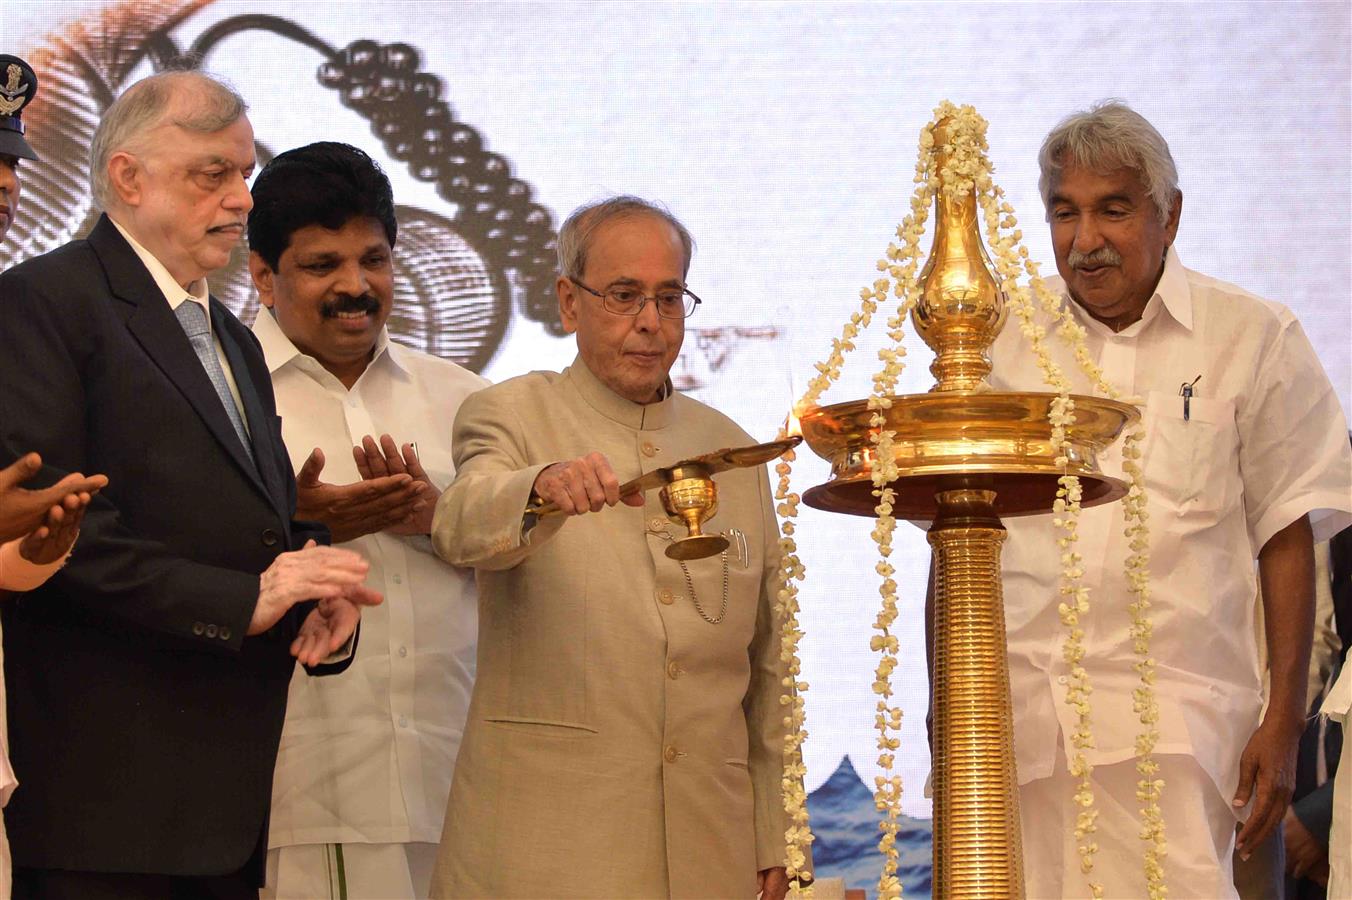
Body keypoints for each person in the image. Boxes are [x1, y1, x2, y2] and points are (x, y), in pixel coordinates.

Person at [0, 70, 383, 899]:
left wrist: (312, 583)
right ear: (128, 177)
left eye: (245, 172)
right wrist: (244, 599)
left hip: (224, 807)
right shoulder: (42, 303)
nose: (243, 199)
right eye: (213, 173)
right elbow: (56, 530)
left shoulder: (233, 339)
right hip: (101, 809)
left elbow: (257, 524)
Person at [970, 100, 1352, 897]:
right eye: (1064, 212)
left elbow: (1286, 533)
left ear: (1170, 215)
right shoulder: (1003, 340)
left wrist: (1283, 722)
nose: (1086, 240)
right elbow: (961, 526)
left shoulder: (1252, 335)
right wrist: (955, 702)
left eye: (1114, 208)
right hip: (1029, 720)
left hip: (1187, 726)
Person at [428, 196, 799, 899]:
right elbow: (461, 523)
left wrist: (773, 826)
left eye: (668, 298)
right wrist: (541, 487)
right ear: (570, 303)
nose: (650, 322)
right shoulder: (509, 413)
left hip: (707, 845)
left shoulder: (733, 450)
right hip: (548, 843)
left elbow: (768, 658)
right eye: (624, 296)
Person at [246, 141, 487, 899]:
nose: (356, 287)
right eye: (322, 266)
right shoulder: (218, 399)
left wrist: (436, 518)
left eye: (373, 259)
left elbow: (532, 564)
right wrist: (295, 525)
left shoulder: (463, 399)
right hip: (304, 795)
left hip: (460, 789)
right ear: (261, 276)